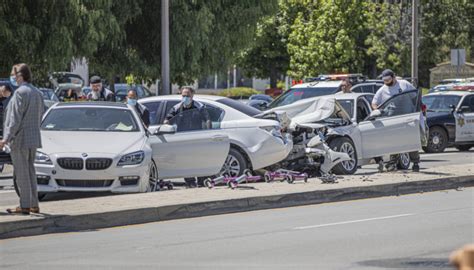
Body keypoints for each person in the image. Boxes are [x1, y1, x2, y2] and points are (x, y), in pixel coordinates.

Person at [0, 63, 44, 215]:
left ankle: (24, 205)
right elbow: (40, 116)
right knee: (30, 171)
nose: (12, 77)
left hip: (20, 139)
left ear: (19, 75)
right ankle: (34, 204)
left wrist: (5, 138)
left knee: (21, 173)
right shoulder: (37, 92)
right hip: (33, 138)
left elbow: (15, 119)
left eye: (14, 74)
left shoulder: (20, 93)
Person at [371, 69, 421, 172]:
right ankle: (392, 163)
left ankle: (415, 163)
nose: (386, 82)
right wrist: (377, 110)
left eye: (388, 80)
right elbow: (374, 103)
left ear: (393, 77)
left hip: (408, 118)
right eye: (384, 80)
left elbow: (415, 97)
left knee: (411, 141)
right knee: (394, 142)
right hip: (393, 120)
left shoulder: (404, 85)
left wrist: (418, 111)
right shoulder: (382, 90)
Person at [164, 86, 211, 187]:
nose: (185, 98)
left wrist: (208, 132)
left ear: (192, 95)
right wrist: (166, 123)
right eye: (183, 95)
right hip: (183, 139)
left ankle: (201, 182)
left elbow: (207, 119)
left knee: (199, 161)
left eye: (187, 95)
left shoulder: (199, 107)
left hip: (197, 139)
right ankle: (190, 183)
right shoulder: (176, 108)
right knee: (186, 161)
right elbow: (168, 119)